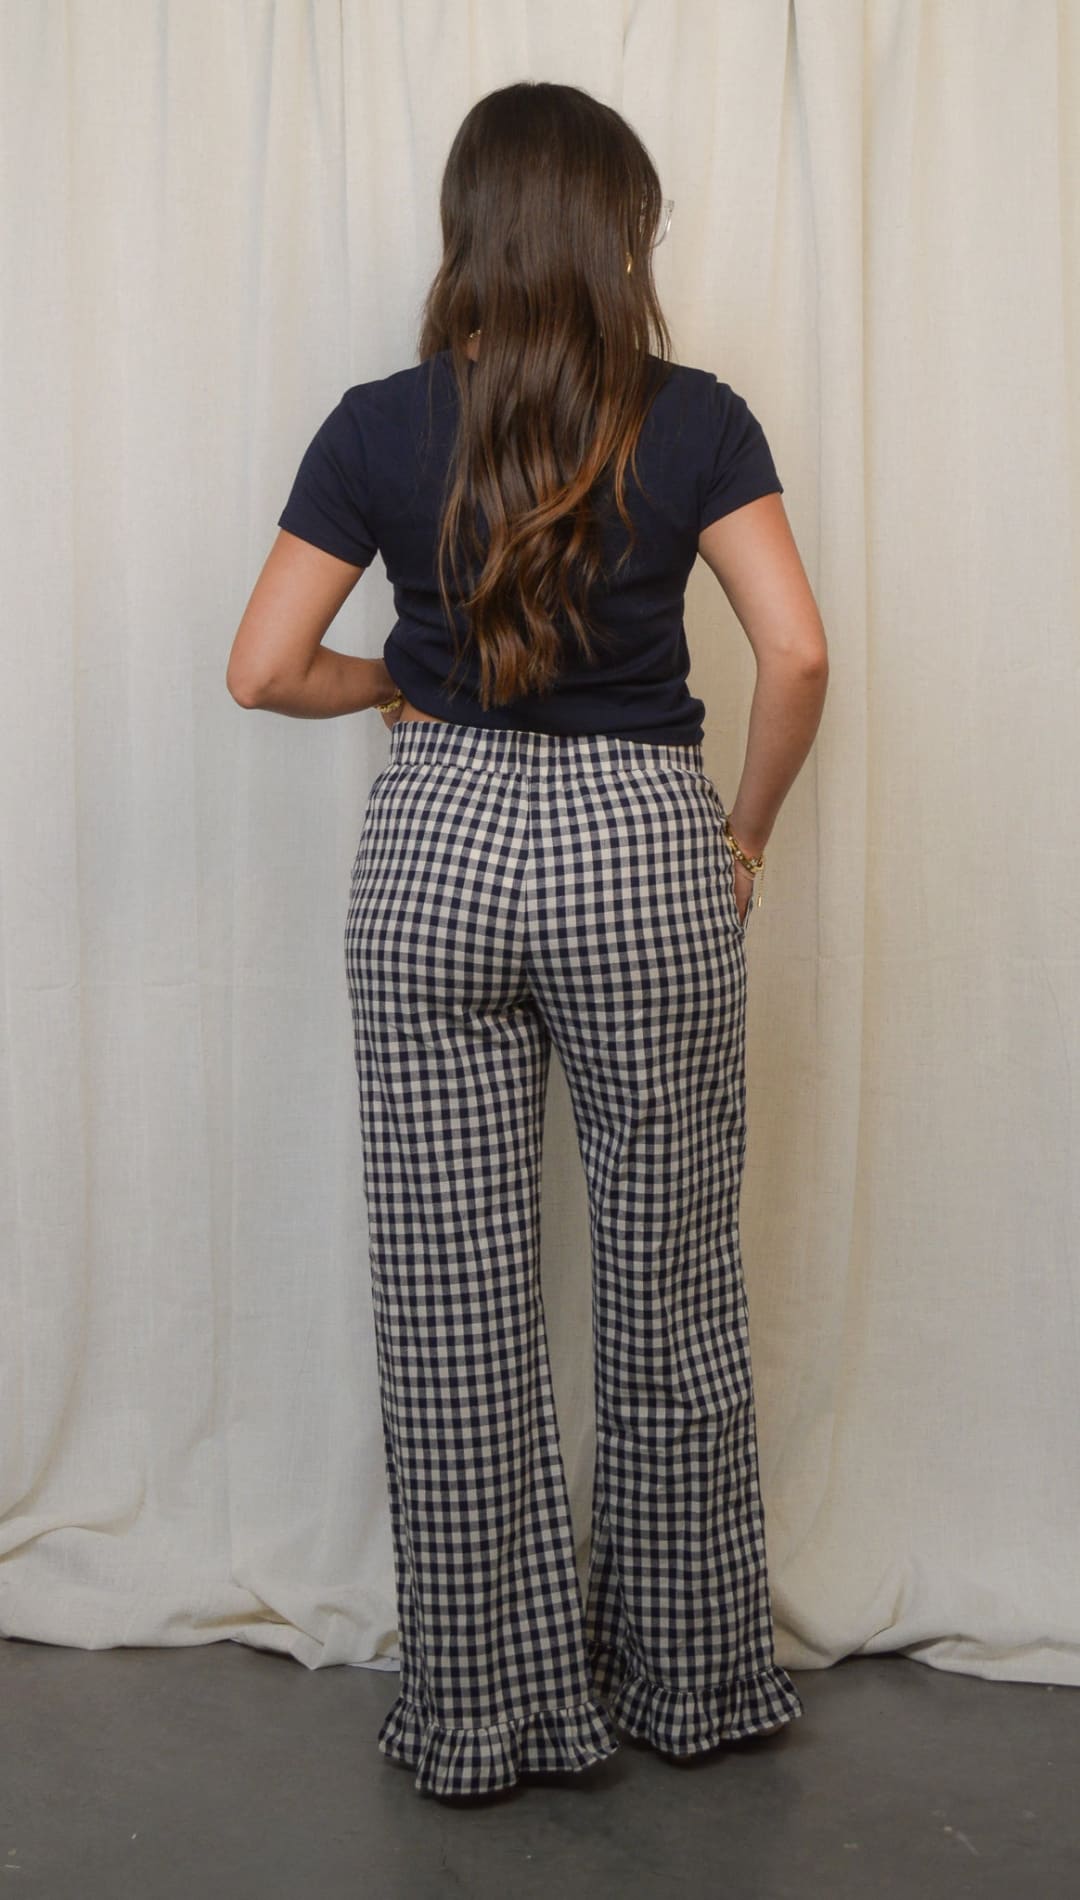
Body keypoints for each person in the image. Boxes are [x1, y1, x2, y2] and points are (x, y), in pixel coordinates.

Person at [227, 79, 828, 1803]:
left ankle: (486, 1715)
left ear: (470, 227)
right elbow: (796, 656)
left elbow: (263, 668)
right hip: (645, 840)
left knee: (451, 1306)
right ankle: (693, 1687)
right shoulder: (697, 416)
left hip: (436, 857)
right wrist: (746, 836)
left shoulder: (376, 423)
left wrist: (402, 691)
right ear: (618, 231)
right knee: (672, 1291)